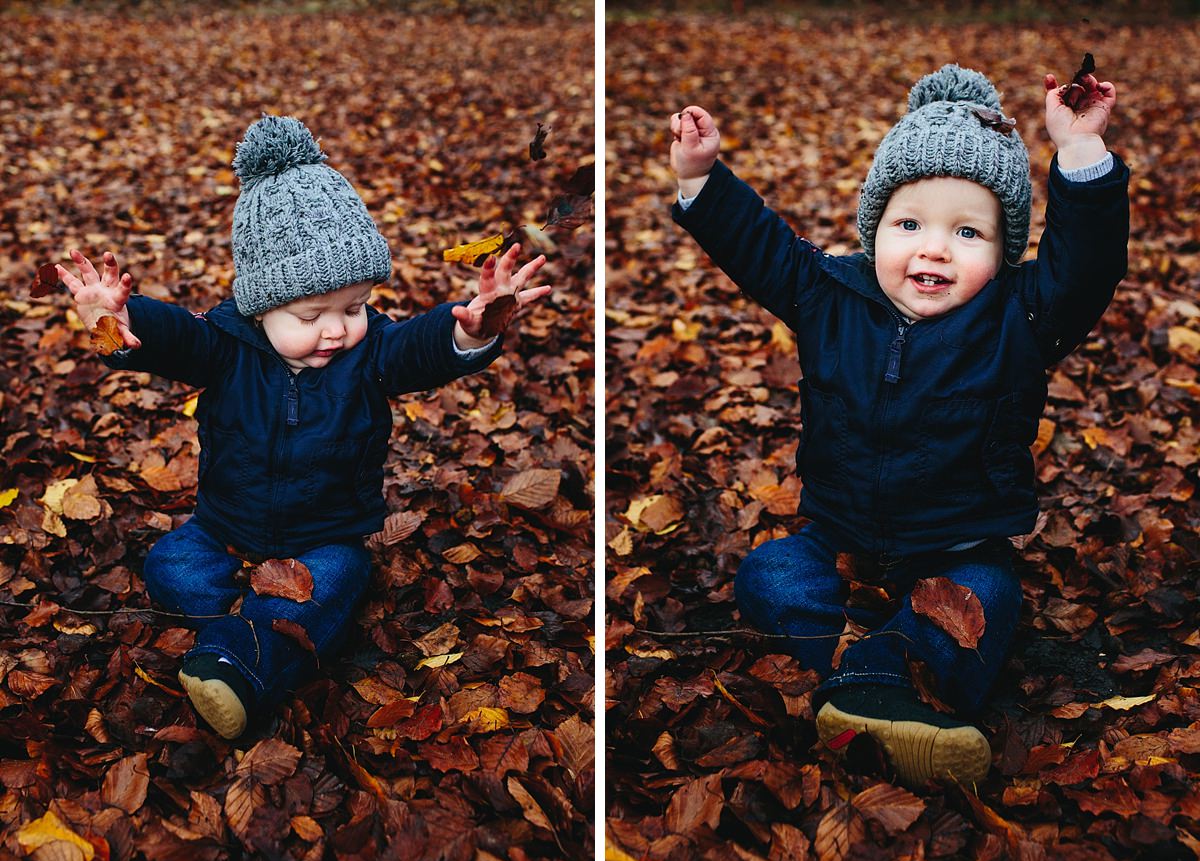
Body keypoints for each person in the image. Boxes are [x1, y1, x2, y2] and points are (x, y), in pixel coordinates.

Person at [669, 63, 1127, 785]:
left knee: (988, 598)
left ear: (1004, 252)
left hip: (956, 541)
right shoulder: (831, 297)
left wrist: (1078, 152)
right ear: (874, 226)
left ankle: (889, 676)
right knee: (770, 574)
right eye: (908, 223)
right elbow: (759, 249)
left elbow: (1088, 268)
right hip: (841, 534)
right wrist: (702, 178)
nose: (934, 247)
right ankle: (860, 673)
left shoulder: (1021, 318)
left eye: (968, 231)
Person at [57, 115, 551, 739]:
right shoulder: (226, 348)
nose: (337, 330)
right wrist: (125, 320)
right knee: (170, 568)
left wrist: (471, 329)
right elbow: (175, 337)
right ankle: (239, 626)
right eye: (312, 315)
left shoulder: (370, 355)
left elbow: (422, 346)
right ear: (261, 308)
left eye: (354, 307)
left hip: (326, 533)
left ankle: (252, 657)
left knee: (339, 583)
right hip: (227, 528)